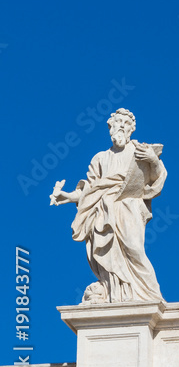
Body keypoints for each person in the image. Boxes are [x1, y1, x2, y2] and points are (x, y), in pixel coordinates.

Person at [50, 108, 164, 302]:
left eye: (126, 124)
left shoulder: (140, 151)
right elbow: (90, 189)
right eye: (117, 123)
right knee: (108, 256)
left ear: (131, 129)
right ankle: (116, 295)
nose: (121, 126)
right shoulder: (100, 158)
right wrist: (68, 196)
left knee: (134, 249)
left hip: (129, 205)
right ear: (110, 128)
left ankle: (150, 296)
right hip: (102, 211)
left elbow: (155, 180)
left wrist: (153, 161)